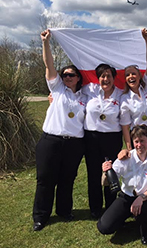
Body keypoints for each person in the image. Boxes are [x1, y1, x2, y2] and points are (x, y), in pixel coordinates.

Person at [32, 29, 86, 231]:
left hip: (74, 144)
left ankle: (64, 211)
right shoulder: (57, 89)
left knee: (67, 179)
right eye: (65, 75)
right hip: (51, 141)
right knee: (45, 180)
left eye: (71, 74)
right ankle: (40, 216)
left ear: (79, 78)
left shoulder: (85, 96)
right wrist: (46, 42)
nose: (67, 77)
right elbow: (49, 65)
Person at [97, 125, 147, 245]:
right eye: (136, 142)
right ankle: (128, 218)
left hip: (146, 197)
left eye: (142, 141)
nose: (139, 145)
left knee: (144, 210)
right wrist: (105, 172)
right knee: (104, 227)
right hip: (126, 196)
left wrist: (140, 198)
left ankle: (145, 230)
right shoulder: (125, 158)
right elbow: (105, 183)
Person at [82, 63, 123, 219]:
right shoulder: (89, 90)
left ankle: (111, 206)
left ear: (113, 78)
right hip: (91, 137)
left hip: (112, 138)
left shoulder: (120, 94)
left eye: (108, 76)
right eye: (102, 76)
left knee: (110, 172)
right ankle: (95, 207)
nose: (105, 79)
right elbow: (71, 92)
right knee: (93, 173)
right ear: (98, 78)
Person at [120, 28, 147, 151]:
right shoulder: (124, 99)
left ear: (139, 76)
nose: (131, 77)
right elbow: (125, 127)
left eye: (133, 74)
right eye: (127, 75)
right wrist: (129, 146)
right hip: (137, 135)